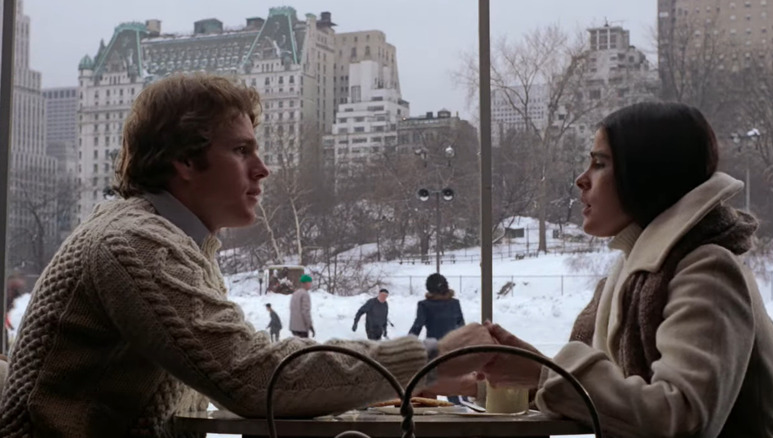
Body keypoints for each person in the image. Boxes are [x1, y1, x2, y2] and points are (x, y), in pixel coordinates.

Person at [0, 73, 497, 437]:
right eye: (242, 151)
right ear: (184, 161)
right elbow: (253, 375)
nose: (264, 169)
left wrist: (376, 380)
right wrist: (433, 356)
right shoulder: (135, 243)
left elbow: (229, 373)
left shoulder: (172, 239)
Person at [469, 102, 773, 437]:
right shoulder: (633, 270)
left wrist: (544, 373)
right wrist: (489, 380)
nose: (581, 179)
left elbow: (681, 419)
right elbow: (611, 397)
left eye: (599, 163)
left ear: (646, 173)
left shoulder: (708, 271)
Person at [409, 273, 466, 404]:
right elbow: (462, 326)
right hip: (453, 349)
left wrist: (405, 345)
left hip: (433, 350)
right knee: (455, 387)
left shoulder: (424, 305)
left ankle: (429, 415)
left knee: (429, 388)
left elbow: (417, 326)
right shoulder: (455, 304)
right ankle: (461, 409)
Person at [289, 274, 315, 338]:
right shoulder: (305, 294)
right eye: (310, 282)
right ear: (306, 283)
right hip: (302, 327)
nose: (311, 284)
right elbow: (305, 311)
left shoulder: (295, 293)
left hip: (294, 327)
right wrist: (310, 325)